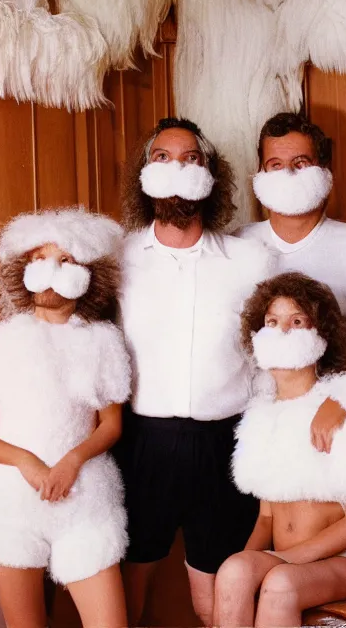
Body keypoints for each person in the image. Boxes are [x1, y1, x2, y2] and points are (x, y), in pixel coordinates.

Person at [116, 117, 275, 626]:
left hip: (224, 445)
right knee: (126, 586)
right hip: (141, 444)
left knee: (217, 597)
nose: (176, 168)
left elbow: (270, 356)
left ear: (210, 175)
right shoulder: (117, 260)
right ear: (144, 174)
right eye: (162, 157)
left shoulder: (251, 260)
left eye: (190, 158)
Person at [0, 208, 131, 628]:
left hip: (86, 499)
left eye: (66, 259)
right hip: (13, 505)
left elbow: (111, 424)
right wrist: (26, 461)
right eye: (41, 257)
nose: (52, 267)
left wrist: (72, 461)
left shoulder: (103, 341)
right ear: (23, 270)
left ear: (88, 272)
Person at [213, 272, 346, 627]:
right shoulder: (260, 417)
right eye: (272, 321)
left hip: (339, 563)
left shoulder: (343, 406)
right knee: (232, 570)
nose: (283, 331)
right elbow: (266, 517)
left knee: (280, 583)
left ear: (320, 335)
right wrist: (242, 575)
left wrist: (292, 558)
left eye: (297, 321)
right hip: (284, 558)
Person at [236, 112, 346, 452]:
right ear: (260, 175)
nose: (289, 174)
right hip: (257, 435)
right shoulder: (237, 247)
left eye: (301, 162)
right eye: (275, 164)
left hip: (333, 440)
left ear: (323, 171)